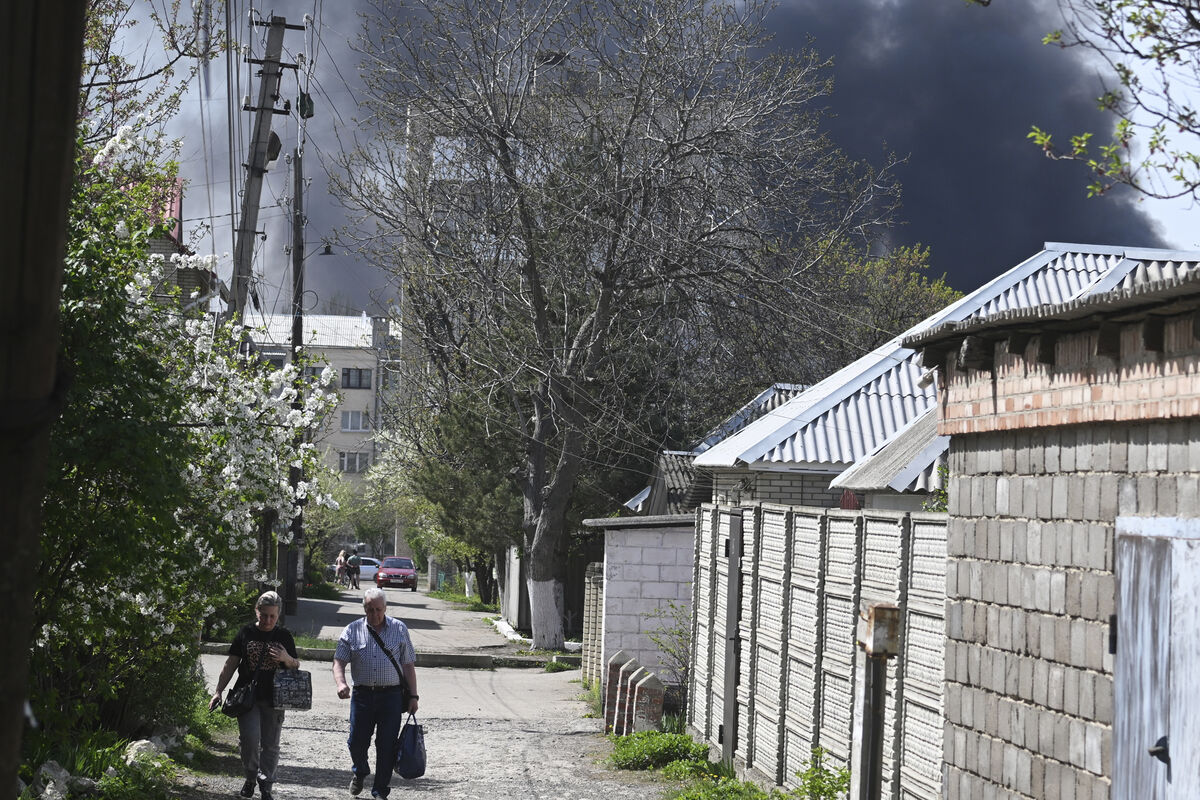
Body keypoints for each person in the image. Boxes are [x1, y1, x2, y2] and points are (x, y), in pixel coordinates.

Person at [209, 591, 300, 800]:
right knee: (249, 739)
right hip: (247, 697)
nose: (267, 620)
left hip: (275, 698)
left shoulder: (284, 636)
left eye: (272, 616)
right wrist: (218, 691)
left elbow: (295, 665)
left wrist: (286, 657)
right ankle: (251, 777)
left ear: (278, 616)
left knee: (270, 744)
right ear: (256, 611)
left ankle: (266, 785)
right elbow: (231, 663)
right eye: (264, 615)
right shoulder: (245, 632)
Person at [333, 587, 420, 799]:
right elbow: (338, 661)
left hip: (391, 697)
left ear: (385, 608)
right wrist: (341, 683)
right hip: (362, 696)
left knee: (387, 745)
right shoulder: (352, 630)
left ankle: (380, 790)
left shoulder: (399, 629)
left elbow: (408, 665)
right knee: (356, 741)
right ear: (364, 609)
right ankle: (360, 770)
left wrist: (413, 696)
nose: (374, 614)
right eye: (370, 609)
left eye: (378, 609)